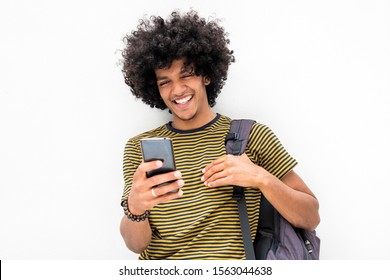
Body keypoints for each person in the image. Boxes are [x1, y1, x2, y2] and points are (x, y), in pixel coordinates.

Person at [119, 9, 320, 260]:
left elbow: (311, 217)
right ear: (154, 89)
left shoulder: (251, 135)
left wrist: (260, 178)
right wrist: (136, 206)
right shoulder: (138, 147)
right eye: (165, 82)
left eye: (186, 74)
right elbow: (136, 244)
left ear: (206, 74)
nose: (177, 89)